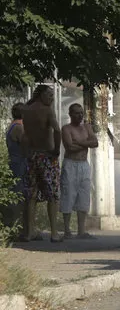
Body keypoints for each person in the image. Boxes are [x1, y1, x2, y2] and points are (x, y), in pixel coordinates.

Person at [21, 84, 63, 242]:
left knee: (31, 195)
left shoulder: (27, 110)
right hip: (47, 157)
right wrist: (57, 150)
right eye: (50, 95)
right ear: (41, 95)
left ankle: (30, 231)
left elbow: (25, 137)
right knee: (53, 195)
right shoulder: (47, 110)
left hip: (32, 156)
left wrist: (26, 153)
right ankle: (54, 233)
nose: (52, 98)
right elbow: (57, 130)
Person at [60, 103, 98, 239]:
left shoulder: (87, 127)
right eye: (76, 113)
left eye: (81, 113)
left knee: (83, 194)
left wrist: (79, 143)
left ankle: (81, 230)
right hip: (70, 164)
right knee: (68, 194)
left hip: (83, 164)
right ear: (70, 114)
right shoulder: (66, 128)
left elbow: (95, 143)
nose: (80, 115)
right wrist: (86, 143)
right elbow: (69, 147)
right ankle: (66, 230)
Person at [3, 102, 28, 241]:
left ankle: (19, 229)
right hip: (19, 164)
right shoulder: (19, 127)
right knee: (19, 197)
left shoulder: (13, 125)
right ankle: (16, 230)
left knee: (18, 196)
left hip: (15, 162)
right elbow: (27, 145)